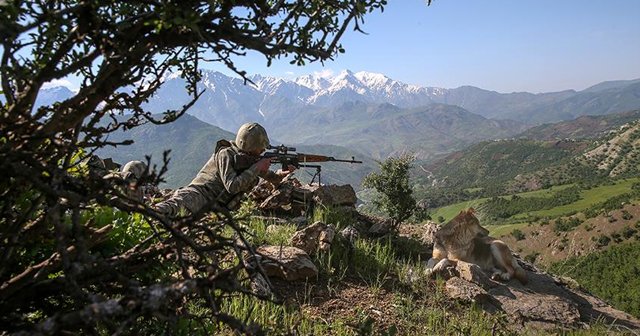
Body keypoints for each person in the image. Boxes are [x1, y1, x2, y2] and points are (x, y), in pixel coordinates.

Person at [154, 122, 292, 217]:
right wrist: (257, 167)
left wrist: (281, 174)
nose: (262, 150)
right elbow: (232, 186)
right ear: (249, 146)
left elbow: (267, 175)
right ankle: (139, 213)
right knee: (164, 211)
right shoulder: (225, 153)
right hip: (197, 195)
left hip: (214, 208)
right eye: (260, 146)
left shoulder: (249, 159)